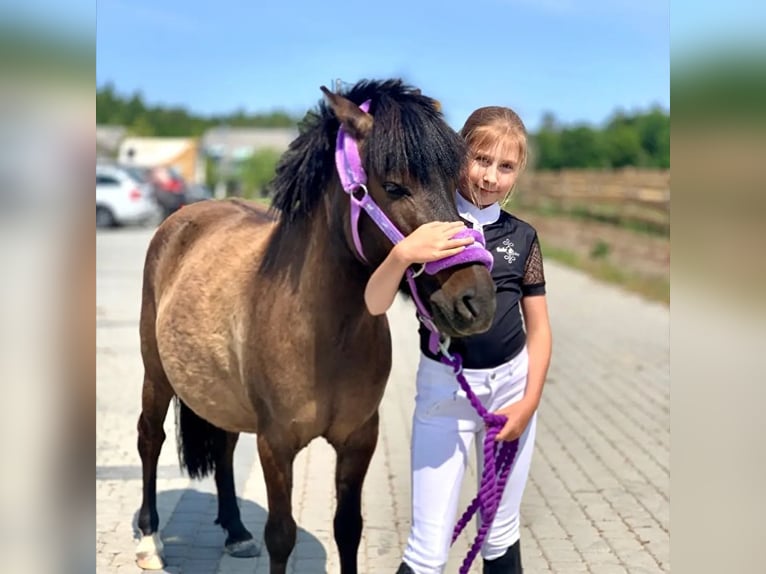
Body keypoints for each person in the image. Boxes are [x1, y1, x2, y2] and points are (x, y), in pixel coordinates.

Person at [364, 106, 552, 574]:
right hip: (445, 394)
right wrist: (403, 255)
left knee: (501, 532)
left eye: (505, 167)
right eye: (481, 159)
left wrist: (528, 403)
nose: (490, 177)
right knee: (428, 549)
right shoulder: (430, 225)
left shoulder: (522, 237)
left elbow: (541, 329)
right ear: (457, 155)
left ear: (518, 173)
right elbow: (374, 303)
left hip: (511, 391)